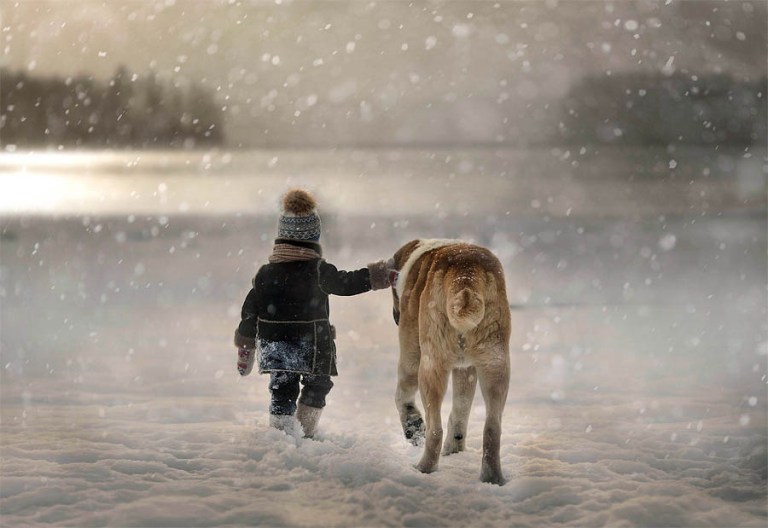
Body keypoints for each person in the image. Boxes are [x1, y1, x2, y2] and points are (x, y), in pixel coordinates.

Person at [234, 188, 395, 438]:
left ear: (281, 238)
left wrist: (246, 343)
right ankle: (305, 432)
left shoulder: (266, 273)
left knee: (281, 387)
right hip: (313, 344)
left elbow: (250, 309)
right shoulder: (318, 270)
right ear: (313, 238)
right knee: (317, 385)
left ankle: (282, 433)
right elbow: (346, 283)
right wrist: (378, 275)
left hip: (275, 343)